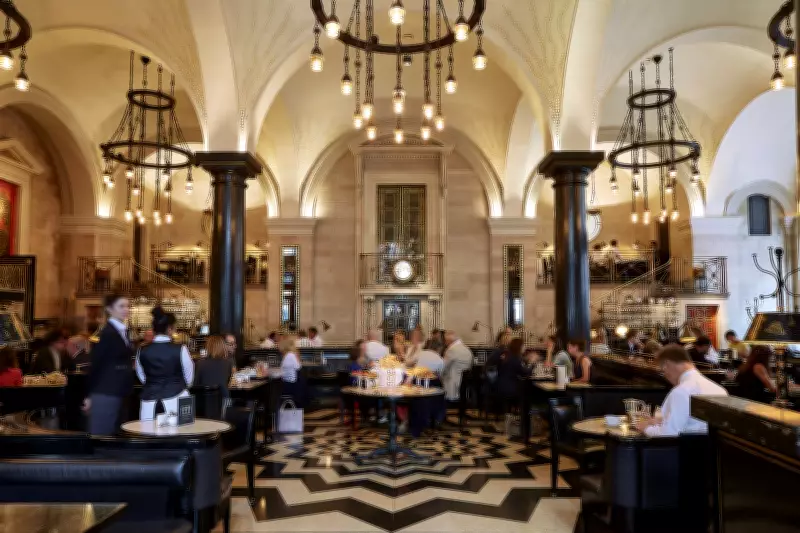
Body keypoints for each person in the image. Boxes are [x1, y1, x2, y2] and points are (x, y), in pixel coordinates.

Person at [635, 344, 728, 436]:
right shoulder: (720, 390)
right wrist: (660, 420)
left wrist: (645, 428)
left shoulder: (681, 391)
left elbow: (668, 434)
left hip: (689, 445)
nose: (665, 376)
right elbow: (695, 423)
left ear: (667, 365)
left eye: (663, 372)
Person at [87, 293, 135, 436]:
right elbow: (96, 364)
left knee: (116, 436)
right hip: (106, 392)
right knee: (103, 436)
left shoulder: (122, 331)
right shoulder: (107, 333)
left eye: (127, 306)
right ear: (109, 309)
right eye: (121, 306)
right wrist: (88, 395)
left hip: (119, 391)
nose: (126, 309)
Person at [135, 307, 194, 421]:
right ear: (170, 329)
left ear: (153, 329)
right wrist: (178, 385)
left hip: (149, 400)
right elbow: (189, 378)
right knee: (182, 431)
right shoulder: (181, 349)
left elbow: (142, 376)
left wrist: (153, 384)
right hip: (177, 397)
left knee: (148, 431)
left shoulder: (141, 350)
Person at [194, 335, 235, 399]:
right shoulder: (228, 363)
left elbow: (195, 385)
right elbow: (227, 382)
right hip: (224, 399)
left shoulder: (200, 363)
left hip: (205, 400)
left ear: (208, 347)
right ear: (223, 346)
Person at [496, 338, 531, 404]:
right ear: (518, 347)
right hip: (510, 389)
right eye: (523, 346)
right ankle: (521, 409)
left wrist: (525, 360)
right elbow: (525, 373)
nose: (525, 347)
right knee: (527, 391)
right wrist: (532, 364)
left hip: (499, 387)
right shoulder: (516, 359)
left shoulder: (506, 356)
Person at [441, 330, 473, 401]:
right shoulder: (467, 349)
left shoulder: (451, 350)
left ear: (449, 341)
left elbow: (443, 367)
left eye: (445, 341)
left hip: (453, 385)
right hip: (464, 384)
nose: (445, 343)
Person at [279, 335, 305, 406]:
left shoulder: (290, 355)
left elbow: (298, 367)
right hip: (291, 383)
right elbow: (298, 367)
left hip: (290, 384)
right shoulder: (290, 354)